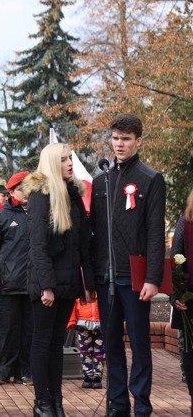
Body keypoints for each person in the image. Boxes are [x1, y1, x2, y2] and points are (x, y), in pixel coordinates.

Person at [90, 113, 166, 417]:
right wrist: (91, 276)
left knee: (139, 344)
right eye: (116, 138)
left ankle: (142, 406)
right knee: (111, 346)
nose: (119, 144)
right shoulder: (101, 181)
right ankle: (117, 404)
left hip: (135, 279)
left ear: (138, 141)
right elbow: (94, 231)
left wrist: (152, 277)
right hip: (105, 278)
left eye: (126, 139)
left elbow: (155, 233)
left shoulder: (150, 178)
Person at [22, 143, 95, 417]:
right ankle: (42, 402)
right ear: (53, 163)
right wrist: (47, 286)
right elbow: (38, 246)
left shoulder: (72, 193)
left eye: (70, 158)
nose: (69, 163)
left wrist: (87, 284)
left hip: (67, 284)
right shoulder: (41, 195)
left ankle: (56, 401)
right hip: (48, 285)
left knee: (56, 345)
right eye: (64, 159)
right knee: (42, 342)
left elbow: (82, 244)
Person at [0, 171, 32, 386]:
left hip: (33, 285)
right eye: (22, 188)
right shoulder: (2, 217)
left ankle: (26, 371)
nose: (27, 191)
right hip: (9, 284)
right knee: (8, 330)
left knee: (29, 331)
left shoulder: (39, 213)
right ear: (12, 192)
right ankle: (4, 371)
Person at [170, 188, 193, 415]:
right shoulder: (184, 220)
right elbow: (176, 257)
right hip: (189, 300)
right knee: (190, 352)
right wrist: (176, 295)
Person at [67, 297, 104, 389]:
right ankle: (87, 376)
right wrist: (72, 320)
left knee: (100, 352)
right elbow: (74, 302)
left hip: (100, 321)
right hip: (82, 322)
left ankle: (97, 377)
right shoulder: (83, 287)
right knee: (85, 352)